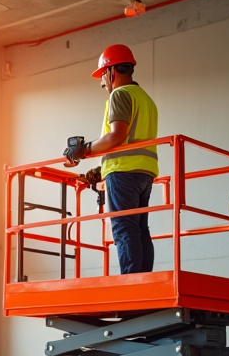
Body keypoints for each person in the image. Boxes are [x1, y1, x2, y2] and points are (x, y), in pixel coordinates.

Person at [63, 44, 159, 274]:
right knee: (140, 228)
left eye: (103, 76)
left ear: (111, 71)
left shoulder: (120, 94)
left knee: (124, 227)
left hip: (123, 172)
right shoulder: (146, 99)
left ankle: (130, 280)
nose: (103, 83)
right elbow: (130, 140)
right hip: (144, 173)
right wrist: (101, 167)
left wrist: (85, 150)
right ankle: (144, 279)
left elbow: (117, 135)